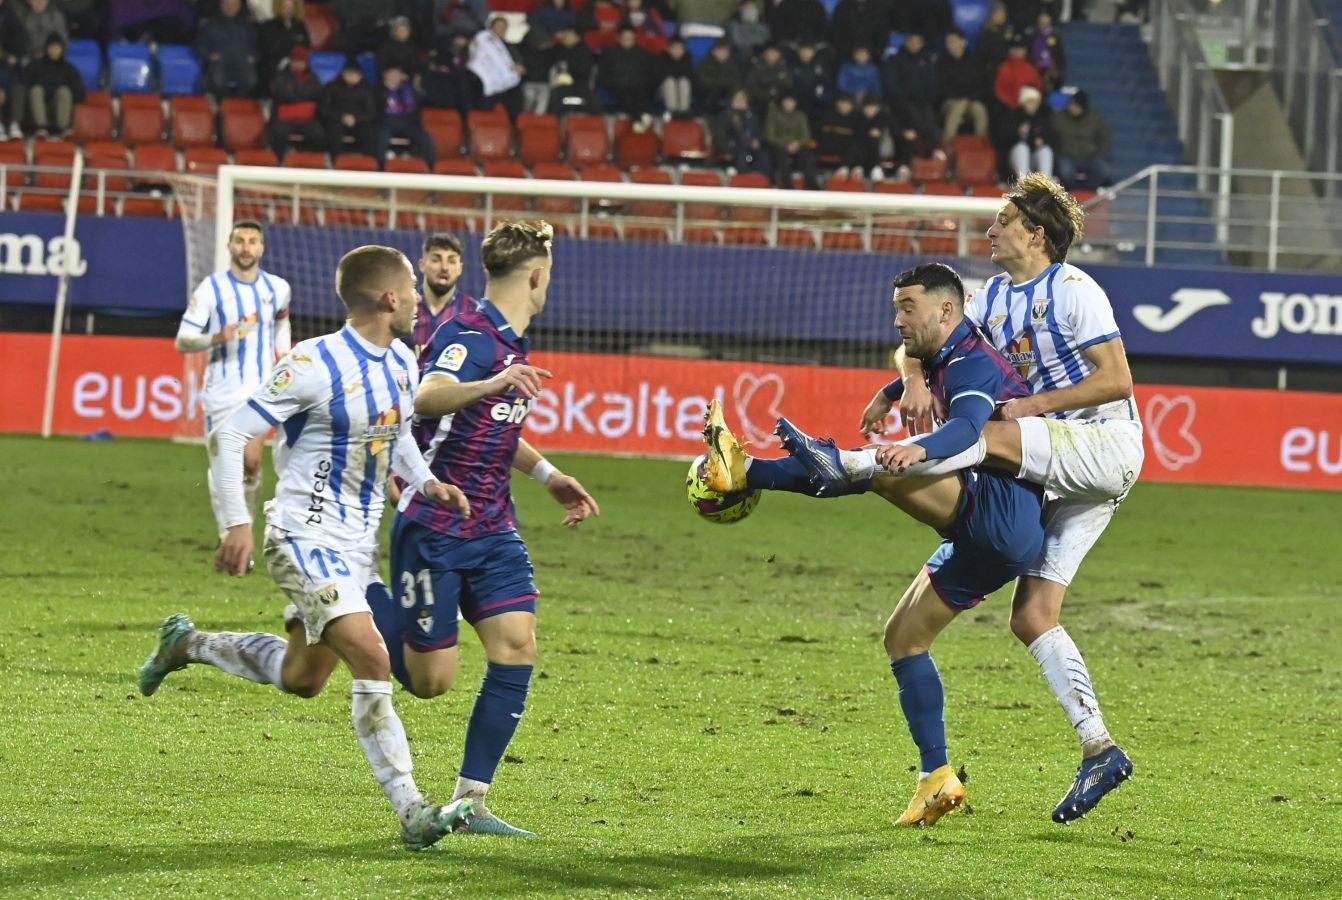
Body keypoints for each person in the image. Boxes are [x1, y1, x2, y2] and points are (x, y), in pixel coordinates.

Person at [777, 174, 1143, 824]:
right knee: (1033, 615)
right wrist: (907, 382)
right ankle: (1099, 747)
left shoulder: (1073, 290)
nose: (990, 230)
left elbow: (1115, 380)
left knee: (987, 431)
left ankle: (852, 464)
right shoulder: (992, 296)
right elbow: (924, 335)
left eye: (1003, 221)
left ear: (1035, 232)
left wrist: (1031, 406)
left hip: (1101, 448)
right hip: (1050, 458)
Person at [139, 245, 479, 851]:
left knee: (302, 678)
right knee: (374, 659)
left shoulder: (404, 362)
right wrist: (234, 523)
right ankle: (413, 811)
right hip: (301, 536)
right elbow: (233, 429)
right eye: (409, 286)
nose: (416, 301)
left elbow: (396, 436)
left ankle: (186, 643)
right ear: (389, 298)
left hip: (356, 548)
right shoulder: (313, 362)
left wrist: (426, 481)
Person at [700, 262, 1046, 827]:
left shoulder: (974, 362)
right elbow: (921, 372)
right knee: (903, 638)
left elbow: (967, 431)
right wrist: (892, 391)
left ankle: (744, 471)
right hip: (992, 536)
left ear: (946, 311)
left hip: (1004, 510)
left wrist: (919, 450)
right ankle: (936, 778)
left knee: (882, 468)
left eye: (908, 308)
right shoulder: (943, 352)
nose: (897, 320)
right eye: (897, 308)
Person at [375, 221, 600, 836]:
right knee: (431, 683)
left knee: (517, 646)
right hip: (436, 528)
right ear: (536, 275)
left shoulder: (510, 341)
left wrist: (549, 474)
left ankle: (471, 802)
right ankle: (359, 596)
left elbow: (494, 427)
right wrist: (497, 380)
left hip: (494, 527)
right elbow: (429, 396)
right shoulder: (469, 334)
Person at [175, 220, 292, 542]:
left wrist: (282, 354)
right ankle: (228, 534)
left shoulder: (277, 289)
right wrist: (216, 337)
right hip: (221, 392)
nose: (245, 247)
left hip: (259, 391)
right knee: (225, 466)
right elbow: (182, 340)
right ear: (229, 246)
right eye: (239, 240)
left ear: (261, 248)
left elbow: (282, 322)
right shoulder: (211, 289)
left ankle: (242, 529)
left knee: (252, 463)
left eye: (252, 241)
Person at [409, 231, 474, 358]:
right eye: (436, 259)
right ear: (422, 265)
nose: (445, 267)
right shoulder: (406, 307)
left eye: (451, 261)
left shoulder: (472, 312)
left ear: (460, 268)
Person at [266, 46, 325, 158]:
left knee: (319, 135)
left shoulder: (313, 77)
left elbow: (317, 92)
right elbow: (280, 92)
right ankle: (280, 159)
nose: (298, 64)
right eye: (295, 61)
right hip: (283, 117)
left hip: (307, 118)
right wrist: (300, 97)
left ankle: (309, 157)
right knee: (277, 133)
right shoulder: (280, 75)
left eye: (301, 62)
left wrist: (295, 95)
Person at [23, 33, 83, 137]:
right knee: (36, 90)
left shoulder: (69, 69)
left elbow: (81, 93)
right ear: (46, 48)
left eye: (57, 47)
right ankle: (41, 129)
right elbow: (24, 86)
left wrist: (60, 93)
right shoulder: (35, 66)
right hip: (36, 110)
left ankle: (63, 130)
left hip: (57, 109)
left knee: (64, 91)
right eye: (51, 47)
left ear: (62, 49)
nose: (54, 50)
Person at [197, 0, 259, 98]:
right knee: (218, 81)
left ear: (239, 6)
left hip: (242, 63)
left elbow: (256, 46)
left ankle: (238, 106)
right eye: (227, 4)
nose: (230, 7)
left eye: (234, 5)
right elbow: (200, 45)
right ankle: (223, 106)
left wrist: (254, 57)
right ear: (221, 5)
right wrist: (209, 55)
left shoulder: (248, 26)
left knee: (251, 81)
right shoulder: (210, 24)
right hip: (220, 63)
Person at [377, 66, 436, 167]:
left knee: (424, 137)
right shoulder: (377, 90)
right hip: (386, 122)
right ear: (385, 76)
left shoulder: (409, 90)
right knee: (381, 137)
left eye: (396, 75)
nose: (393, 77)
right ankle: (380, 166)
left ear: (402, 77)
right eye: (391, 74)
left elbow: (420, 104)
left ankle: (430, 166)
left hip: (407, 122)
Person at [1052, 90, 1111, 189]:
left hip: (1090, 157)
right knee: (1066, 172)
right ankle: (1071, 191)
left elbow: (1105, 137)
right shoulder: (1059, 118)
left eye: (1076, 106)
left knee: (1103, 170)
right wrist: (1058, 154)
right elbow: (1052, 138)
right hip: (1067, 156)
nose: (1072, 108)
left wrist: (1100, 153)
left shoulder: (1095, 117)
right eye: (1071, 104)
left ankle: (1089, 191)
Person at [321, 60, 378, 158]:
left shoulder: (367, 89)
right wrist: (341, 117)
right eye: (349, 74)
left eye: (355, 74)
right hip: (337, 119)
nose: (352, 77)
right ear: (343, 74)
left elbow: (371, 112)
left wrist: (356, 118)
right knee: (333, 133)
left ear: (361, 76)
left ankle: (369, 163)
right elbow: (324, 109)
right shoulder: (331, 86)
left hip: (359, 120)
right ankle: (335, 162)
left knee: (369, 133)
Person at [764, 92, 820, 190]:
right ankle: (787, 187)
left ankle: (813, 186)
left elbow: (806, 136)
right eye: (787, 101)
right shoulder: (773, 114)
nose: (789, 103)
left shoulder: (800, 115)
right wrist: (786, 144)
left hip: (798, 146)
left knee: (807, 156)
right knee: (781, 156)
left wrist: (797, 143)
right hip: (780, 146)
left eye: (791, 101)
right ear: (782, 102)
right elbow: (770, 136)